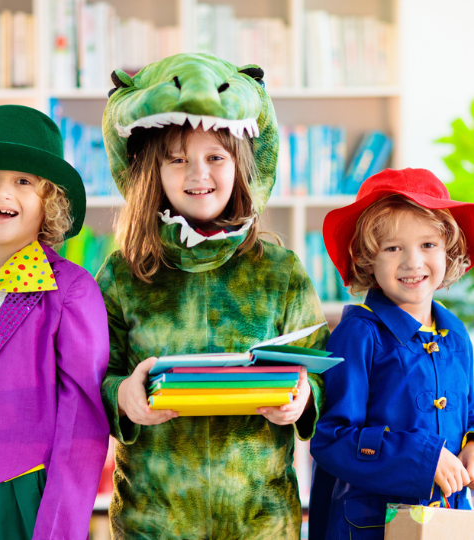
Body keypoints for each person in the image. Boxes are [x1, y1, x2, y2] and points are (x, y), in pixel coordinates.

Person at [97, 53, 329, 539]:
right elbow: (92, 376)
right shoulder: (122, 273)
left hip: (261, 519)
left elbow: (321, 369)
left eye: (215, 157)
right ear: (151, 171)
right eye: (177, 158)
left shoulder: (280, 270)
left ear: (240, 164)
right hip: (152, 520)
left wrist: (303, 397)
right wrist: (124, 396)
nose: (197, 174)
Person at [0, 104, 110, 539]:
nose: (1, 193)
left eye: (23, 181)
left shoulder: (71, 291)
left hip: (31, 495)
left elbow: (82, 428)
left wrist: (56, 530)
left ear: (49, 201)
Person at [310, 168, 474, 539]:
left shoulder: (456, 335)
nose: (412, 262)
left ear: (449, 252)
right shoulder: (358, 334)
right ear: (368, 259)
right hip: (369, 527)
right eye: (393, 247)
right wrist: (422, 458)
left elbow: (469, 411)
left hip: (447, 522)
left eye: (428, 245)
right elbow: (332, 438)